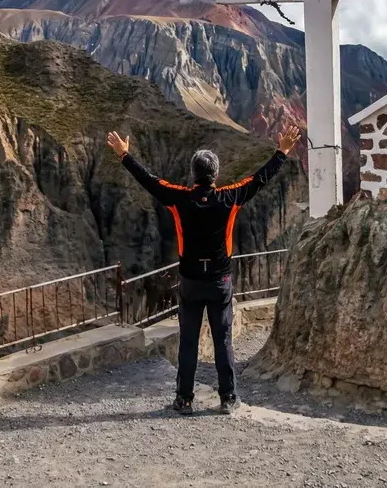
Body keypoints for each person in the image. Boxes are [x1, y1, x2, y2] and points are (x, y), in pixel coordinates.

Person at [106, 124, 301, 415]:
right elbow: (259, 180)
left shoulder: (180, 199)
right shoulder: (230, 198)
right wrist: (282, 152)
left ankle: (184, 399)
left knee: (188, 341)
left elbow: (149, 181)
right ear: (216, 174)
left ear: (193, 174)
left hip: (191, 282)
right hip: (220, 281)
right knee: (223, 340)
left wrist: (125, 156)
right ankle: (228, 398)